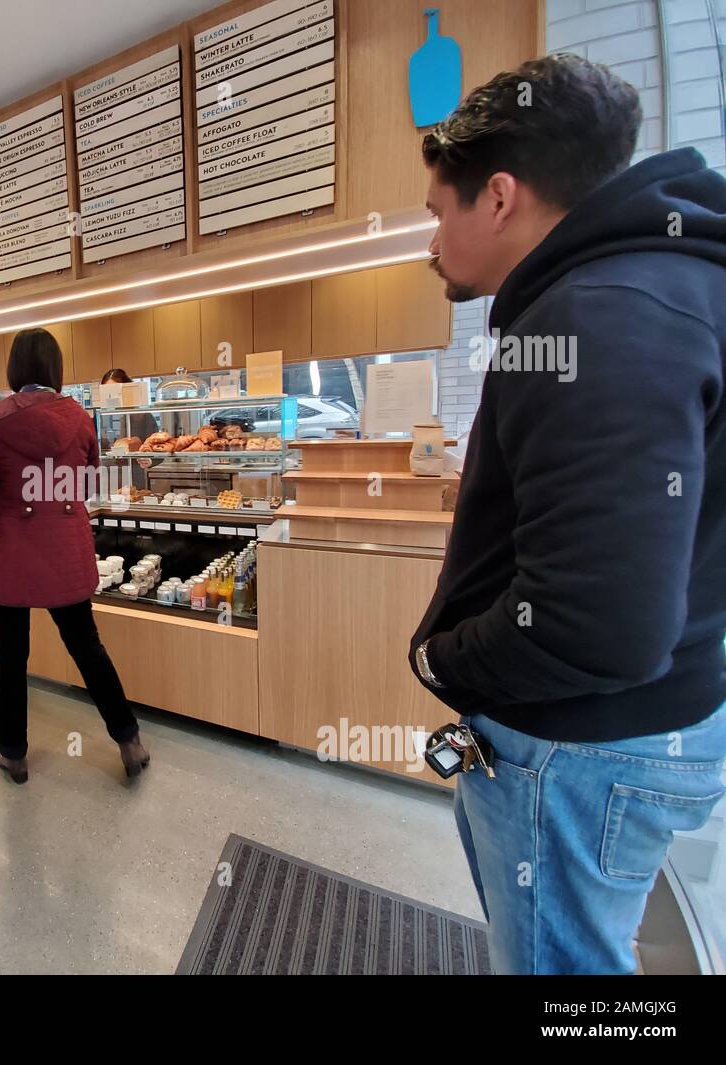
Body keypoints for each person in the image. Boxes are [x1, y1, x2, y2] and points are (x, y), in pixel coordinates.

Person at [409, 53, 726, 974]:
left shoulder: (598, 314)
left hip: (581, 746)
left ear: (498, 197)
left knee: (563, 979)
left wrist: (443, 658)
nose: (434, 242)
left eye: (438, 211)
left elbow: (600, 622)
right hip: (649, 721)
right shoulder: (671, 280)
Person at [0, 328, 149, 783]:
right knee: (87, 648)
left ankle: (13, 753)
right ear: (55, 368)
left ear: (14, 368)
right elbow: (87, 481)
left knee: (10, 656)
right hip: (63, 549)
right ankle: (129, 740)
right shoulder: (79, 418)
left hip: (10, 553)